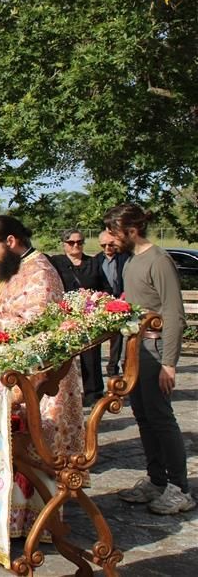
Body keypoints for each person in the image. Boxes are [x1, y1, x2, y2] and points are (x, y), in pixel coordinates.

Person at [0, 215, 81, 536]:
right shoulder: (12, 268)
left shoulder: (41, 272)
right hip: (13, 375)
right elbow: (0, 309)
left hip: (42, 380)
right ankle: (7, 523)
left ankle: (36, 527)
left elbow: (35, 325)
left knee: (34, 449)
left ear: (11, 242)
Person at [104, 204, 193, 515]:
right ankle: (156, 481)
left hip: (155, 350)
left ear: (131, 230)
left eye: (115, 233)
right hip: (135, 349)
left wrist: (169, 363)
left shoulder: (159, 260)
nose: (110, 240)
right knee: (143, 416)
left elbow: (174, 313)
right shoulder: (131, 261)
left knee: (161, 418)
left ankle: (180, 489)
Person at [49, 228, 109, 405]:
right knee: (63, 358)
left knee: (91, 357)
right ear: (64, 244)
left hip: (88, 317)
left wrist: (99, 302)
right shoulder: (56, 262)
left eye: (80, 242)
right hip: (65, 316)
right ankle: (62, 396)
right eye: (71, 242)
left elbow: (105, 287)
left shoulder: (93, 263)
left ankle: (94, 394)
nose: (76, 245)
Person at [96, 229, 128, 376]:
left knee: (117, 337)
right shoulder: (97, 260)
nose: (107, 248)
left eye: (110, 244)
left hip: (121, 299)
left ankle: (113, 367)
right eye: (103, 245)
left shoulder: (124, 258)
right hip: (103, 301)